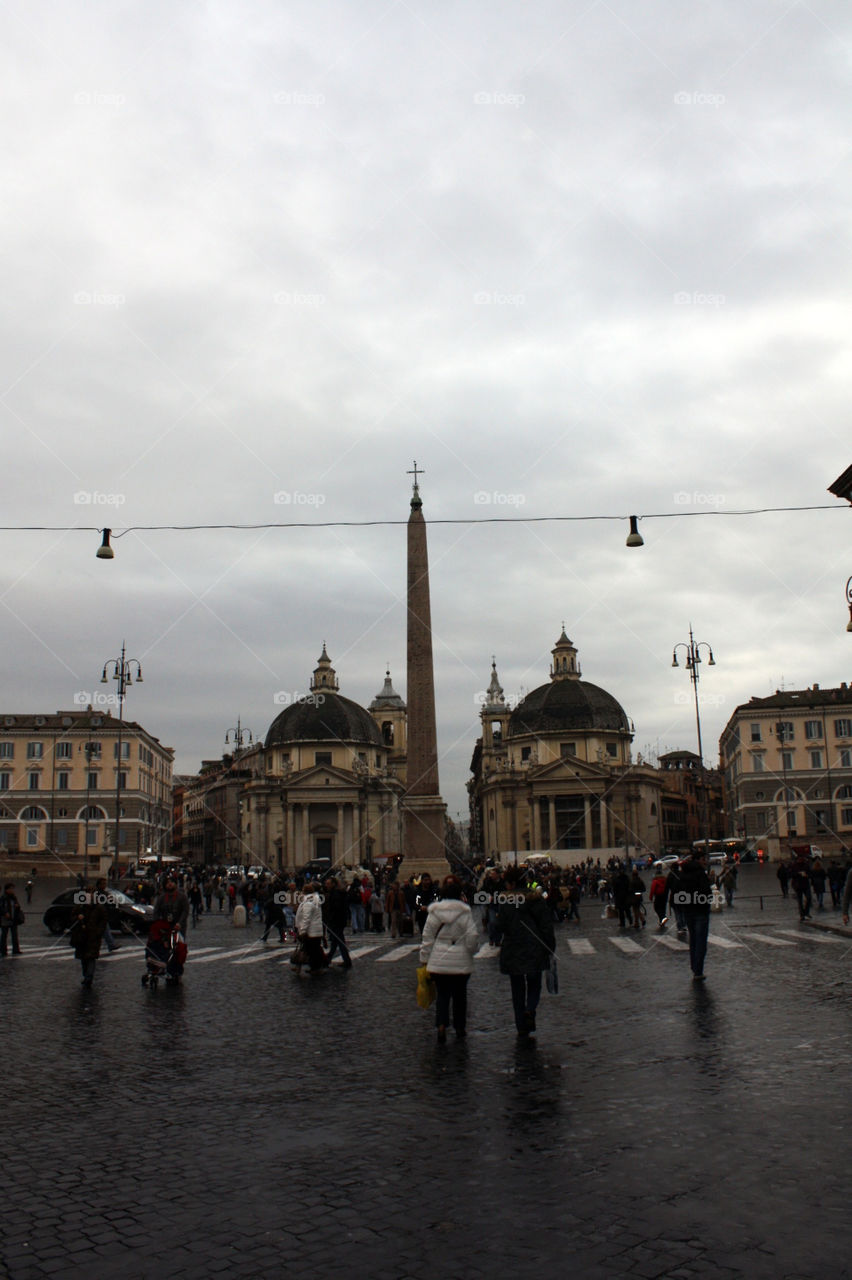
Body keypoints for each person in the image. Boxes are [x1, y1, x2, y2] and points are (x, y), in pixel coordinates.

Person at [495, 866, 555, 1041]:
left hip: (513, 948)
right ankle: (530, 1009)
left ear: (512, 883)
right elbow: (545, 924)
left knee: (517, 988)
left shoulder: (505, 902)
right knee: (534, 983)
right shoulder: (535, 899)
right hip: (534, 946)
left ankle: (521, 1025)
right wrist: (550, 946)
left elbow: (500, 927)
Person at [419, 875, 480, 1042]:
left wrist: (424, 959)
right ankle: (460, 1027)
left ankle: (441, 1026)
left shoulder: (434, 912)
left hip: (439, 961)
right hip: (461, 962)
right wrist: (471, 950)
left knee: (443, 996)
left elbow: (427, 937)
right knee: (460, 996)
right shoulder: (464, 913)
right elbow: (472, 936)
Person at [677, 851, 712, 981]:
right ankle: (698, 970)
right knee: (701, 941)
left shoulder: (684, 873)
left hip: (688, 910)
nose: (705, 861)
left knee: (693, 940)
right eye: (703, 859)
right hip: (700, 910)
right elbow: (706, 892)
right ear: (698, 860)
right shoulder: (700, 874)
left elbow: (679, 890)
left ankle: (694, 967)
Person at [69, 884, 108, 987]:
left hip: (93, 936)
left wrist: (98, 932)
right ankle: (86, 975)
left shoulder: (99, 907)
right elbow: (72, 918)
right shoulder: (80, 906)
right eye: (88, 893)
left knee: (91, 958)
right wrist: (78, 917)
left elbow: (103, 921)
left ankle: (89, 977)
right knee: (83, 958)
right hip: (81, 936)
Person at [294, 884, 326, 974]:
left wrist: (303, 930)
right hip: (315, 929)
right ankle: (317, 966)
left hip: (311, 931)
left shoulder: (308, 902)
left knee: (312, 950)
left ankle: (315, 967)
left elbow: (306, 918)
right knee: (315, 949)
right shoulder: (314, 899)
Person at [322, 877, 352, 967]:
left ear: (333, 884)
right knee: (335, 941)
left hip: (336, 921)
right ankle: (329, 959)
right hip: (339, 920)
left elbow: (336, 909)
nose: (326, 885)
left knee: (339, 941)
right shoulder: (337, 893)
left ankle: (347, 961)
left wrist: (330, 919)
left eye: (328, 884)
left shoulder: (335, 894)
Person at [0, 883, 24, 957]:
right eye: (11, 889)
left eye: (13, 889)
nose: (12, 890)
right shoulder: (3, 898)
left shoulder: (14, 897)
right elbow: (0, 907)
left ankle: (16, 950)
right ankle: (3, 951)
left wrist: (17, 906)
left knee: (14, 935)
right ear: (7, 890)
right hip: (5, 919)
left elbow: (18, 906)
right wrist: (5, 913)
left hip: (13, 919)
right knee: (4, 935)